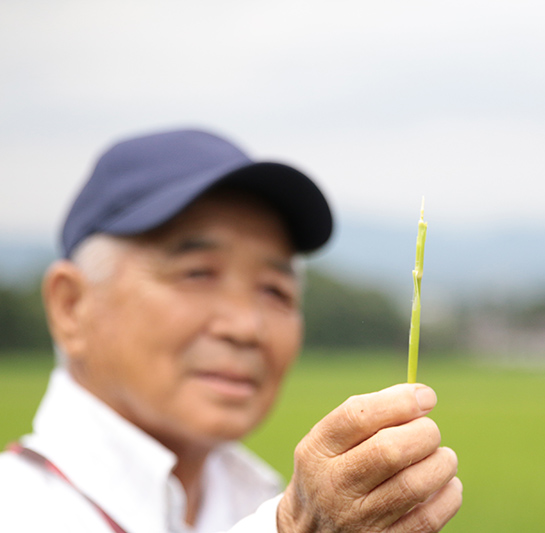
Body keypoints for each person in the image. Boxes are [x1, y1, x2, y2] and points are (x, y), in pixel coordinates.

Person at [0, 129, 462, 533]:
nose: (246, 327)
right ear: (71, 306)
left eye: (276, 290)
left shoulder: (257, 495)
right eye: (197, 273)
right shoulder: (19, 509)